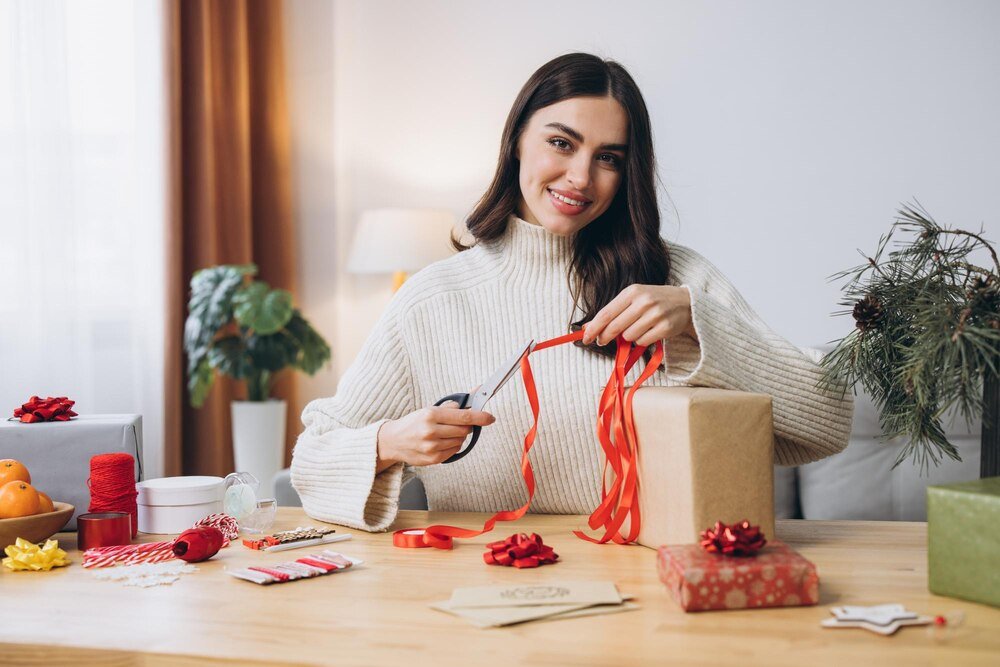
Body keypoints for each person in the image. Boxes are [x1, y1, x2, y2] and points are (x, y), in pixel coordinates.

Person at [291, 53, 853, 531]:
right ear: (516, 141)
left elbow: (830, 421)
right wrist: (389, 442)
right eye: (562, 143)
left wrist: (699, 324)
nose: (581, 177)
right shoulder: (432, 298)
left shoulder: (679, 280)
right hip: (490, 604)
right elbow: (310, 462)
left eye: (608, 157)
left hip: (653, 604)